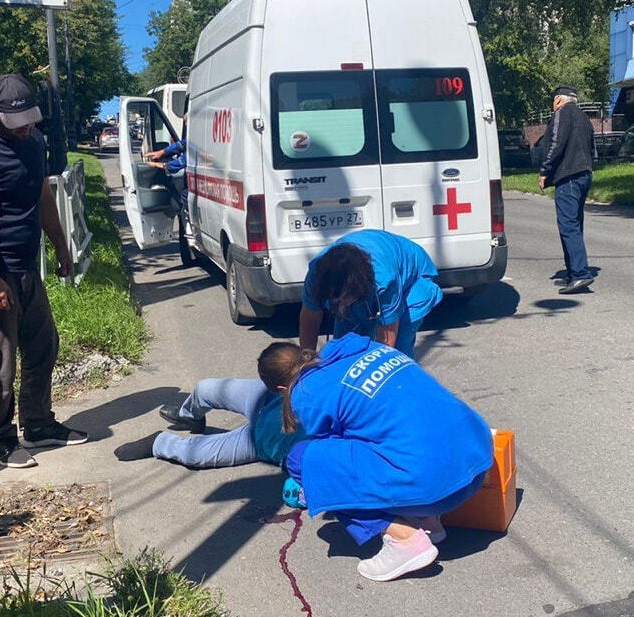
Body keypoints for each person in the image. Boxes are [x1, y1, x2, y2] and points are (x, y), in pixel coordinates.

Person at [260, 335, 493, 582]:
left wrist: (317, 487)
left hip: (434, 489)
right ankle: (428, 521)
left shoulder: (306, 393)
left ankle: (405, 539)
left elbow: (334, 455)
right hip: (476, 463)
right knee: (394, 428)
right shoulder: (363, 348)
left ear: (281, 389)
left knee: (303, 460)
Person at [0, 74, 86, 470]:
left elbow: (42, 197)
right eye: (16, 121)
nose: (25, 127)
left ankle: (39, 424)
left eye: (30, 118)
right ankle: (1, 438)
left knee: (43, 345)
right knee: (0, 361)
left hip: (26, 266)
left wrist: (61, 245)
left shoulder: (33, 141)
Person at [298, 230, 441, 358]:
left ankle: (403, 385)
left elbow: (387, 340)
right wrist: (306, 361)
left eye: (345, 299)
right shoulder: (316, 274)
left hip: (412, 280)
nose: (341, 304)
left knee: (398, 350)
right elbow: (310, 318)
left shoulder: (384, 280)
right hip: (366, 272)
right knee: (343, 348)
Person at [114, 376, 307, 469]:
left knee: (193, 454)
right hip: (274, 397)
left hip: (267, 438)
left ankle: (158, 442)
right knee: (205, 389)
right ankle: (189, 416)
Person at [538, 85, 595, 294]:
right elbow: (591, 147)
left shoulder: (562, 114)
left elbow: (555, 143)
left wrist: (545, 170)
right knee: (575, 224)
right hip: (584, 174)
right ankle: (574, 274)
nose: (553, 106)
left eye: (553, 102)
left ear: (559, 100)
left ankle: (580, 274)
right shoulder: (585, 118)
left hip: (568, 176)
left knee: (568, 225)